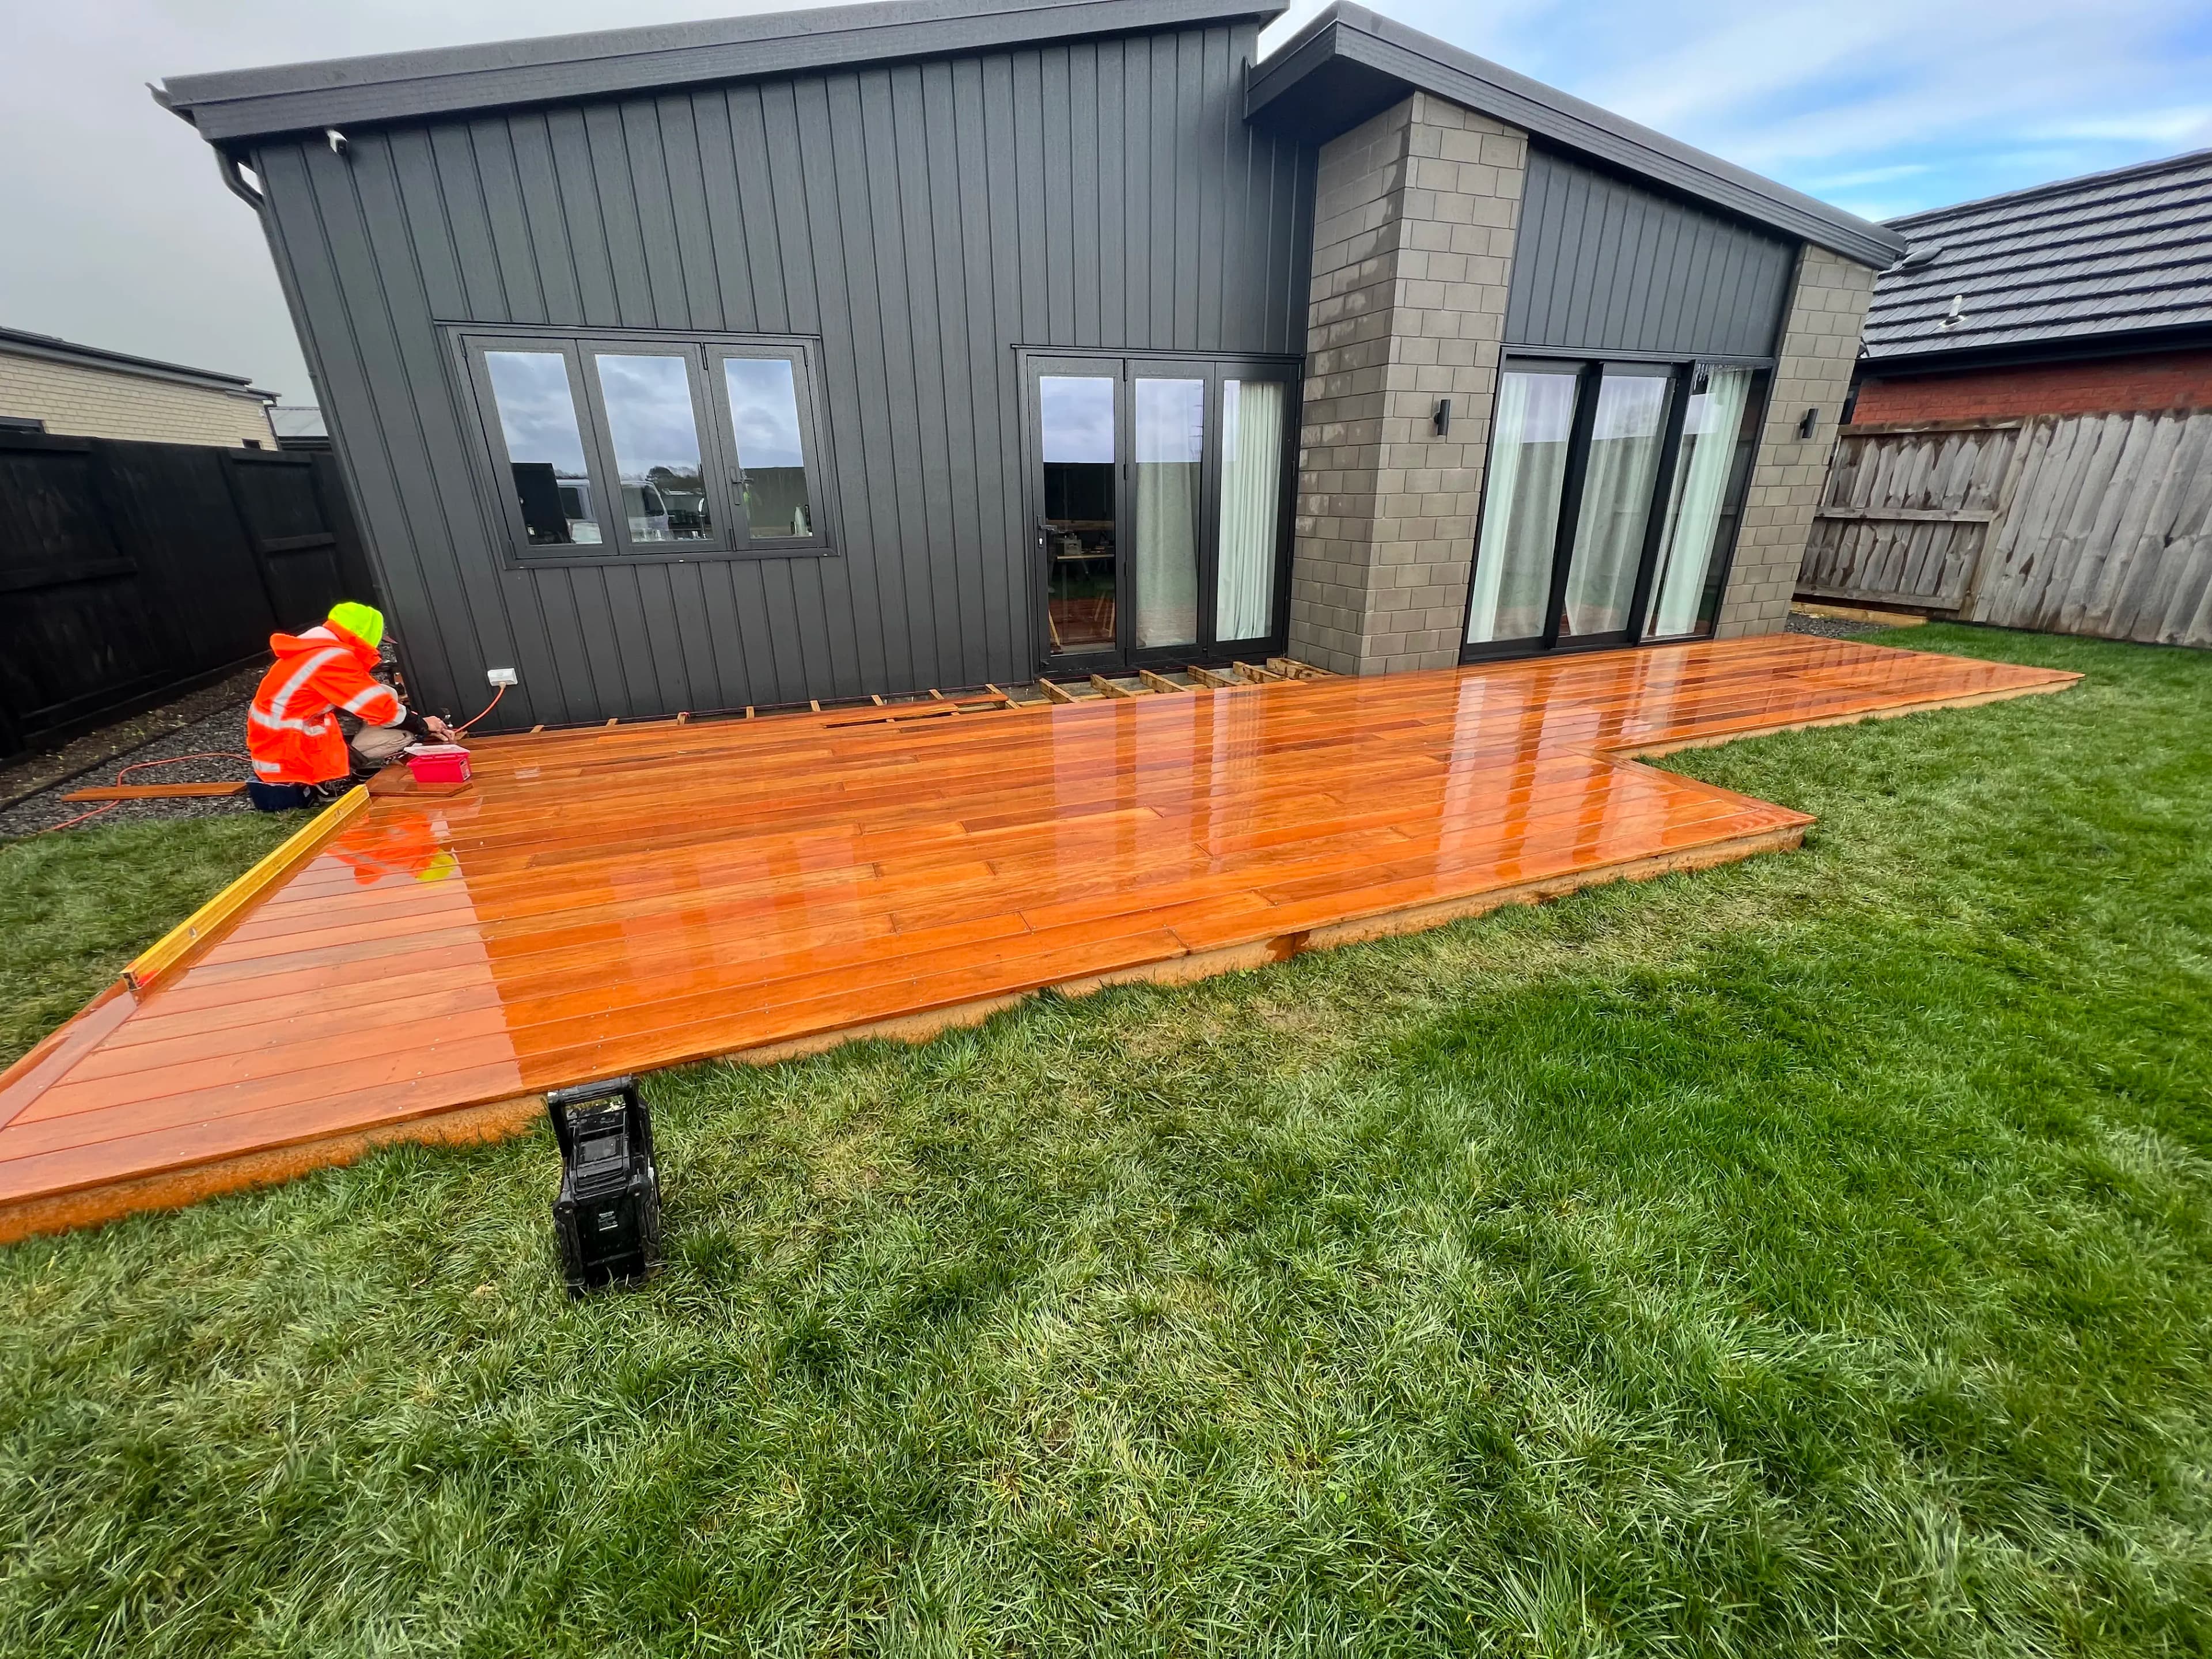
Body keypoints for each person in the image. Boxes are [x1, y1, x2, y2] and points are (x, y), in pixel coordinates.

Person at [244, 601, 453, 810]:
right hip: (290, 754)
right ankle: (329, 782)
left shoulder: (316, 649)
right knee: (402, 736)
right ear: (365, 634)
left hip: (283, 738)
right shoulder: (333, 659)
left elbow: (374, 699)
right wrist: (422, 726)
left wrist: (415, 720)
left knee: (386, 694)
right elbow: (381, 709)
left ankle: (339, 762)